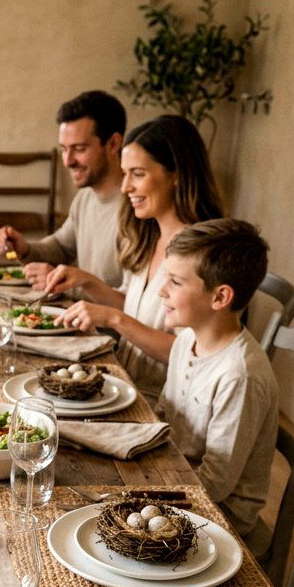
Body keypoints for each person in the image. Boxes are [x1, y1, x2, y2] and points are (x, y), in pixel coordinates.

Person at [44, 114, 224, 400]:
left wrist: (115, 320)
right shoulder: (147, 235)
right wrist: (87, 282)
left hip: (165, 403)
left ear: (177, 174)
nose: (125, 187)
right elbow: (137, 308)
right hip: (126, 383)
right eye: (125, 173)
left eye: (137, 174)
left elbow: (192, 354)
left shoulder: (204, 253)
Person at [156, 219, 278, 538]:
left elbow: (215, 485)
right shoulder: (185, 339)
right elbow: (163, 414)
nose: (161, 291)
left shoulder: (240, 374)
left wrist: (147, 491)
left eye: (175, 282)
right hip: (178, 478)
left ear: (220, 297)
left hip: (219, 515)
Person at [0, 90, 126, 290]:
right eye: (64, 149)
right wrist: (25, 248)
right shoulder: (85, 197)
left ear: (114, 143)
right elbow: (61, 247)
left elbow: (134, 303)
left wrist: (62, 283)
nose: (67, 161)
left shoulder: (135, 208)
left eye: (79, 149)